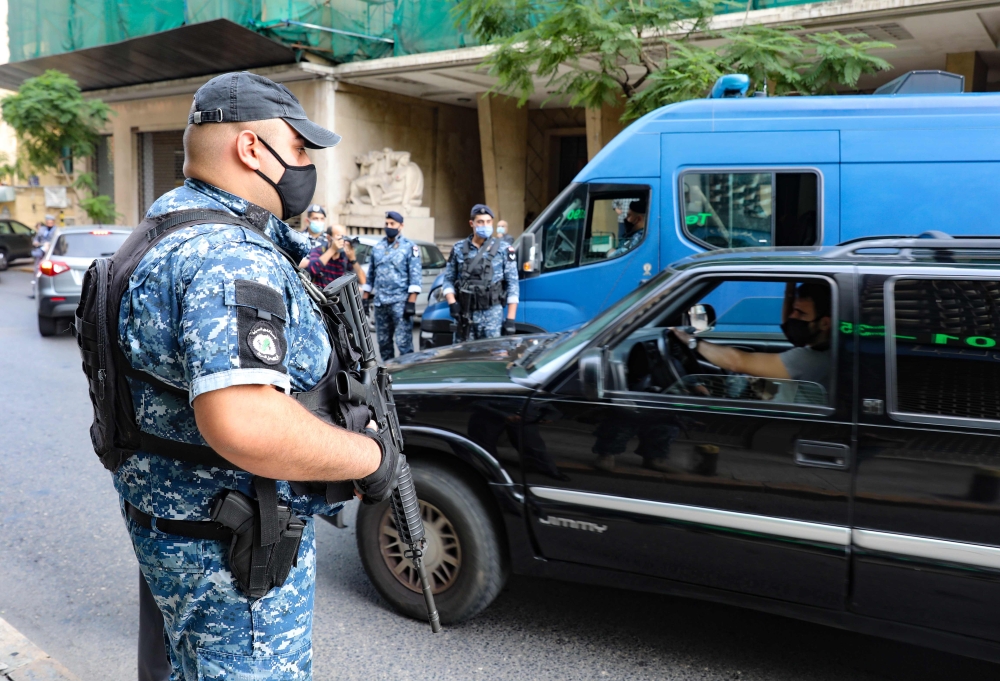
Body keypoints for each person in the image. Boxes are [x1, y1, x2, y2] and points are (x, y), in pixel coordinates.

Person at [107, 72, 394, 680]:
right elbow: (245, 421)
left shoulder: (166, 225)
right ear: (250, 148)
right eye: (298, 149)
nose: (305, 165)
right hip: (235, 567)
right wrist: (368, 458)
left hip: (185, 541)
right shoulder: (228, 254)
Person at [671, 281, 832, 393]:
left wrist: (692, 342)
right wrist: (790, 286)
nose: (793, 317)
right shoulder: (825, 351)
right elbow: (789, 327)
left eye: (801, 313)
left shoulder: (808, 360)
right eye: (793, 310)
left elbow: (736, 362)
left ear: (824, 324)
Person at [442, 204, 520, 341]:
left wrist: (510, 320)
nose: (485, 225)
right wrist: (452, 303)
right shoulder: (458, 248)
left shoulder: (504, 249)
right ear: (472, 223)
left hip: (492, 317)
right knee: (462, 357)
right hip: (464, 314)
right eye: (480, 222)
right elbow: (448, 279)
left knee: (490, 357)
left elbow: (512, 283)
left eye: (488, 222)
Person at [362, 210, 421, 359]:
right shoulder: (378, 247)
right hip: (381, 303)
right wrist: (365, 298)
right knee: (383, 343)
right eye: (387, 223)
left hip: (400, 303)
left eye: (392, 224)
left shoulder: (409, 247)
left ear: (401, 226)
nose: (389, 226)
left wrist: (411, 303)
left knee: (404, 344)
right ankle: (388, 376)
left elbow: (415, 277)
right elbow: (371, 275)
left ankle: (406, 377)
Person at [303, 223, 366, 289]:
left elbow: (363, 281)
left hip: (337, 297)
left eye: (344, 237)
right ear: (328, 237)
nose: (342, 240)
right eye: (339, 236)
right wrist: (332, 250)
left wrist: (353, 259)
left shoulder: (344, 256)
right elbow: (312, 270)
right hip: (319, 295)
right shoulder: (318, 250)